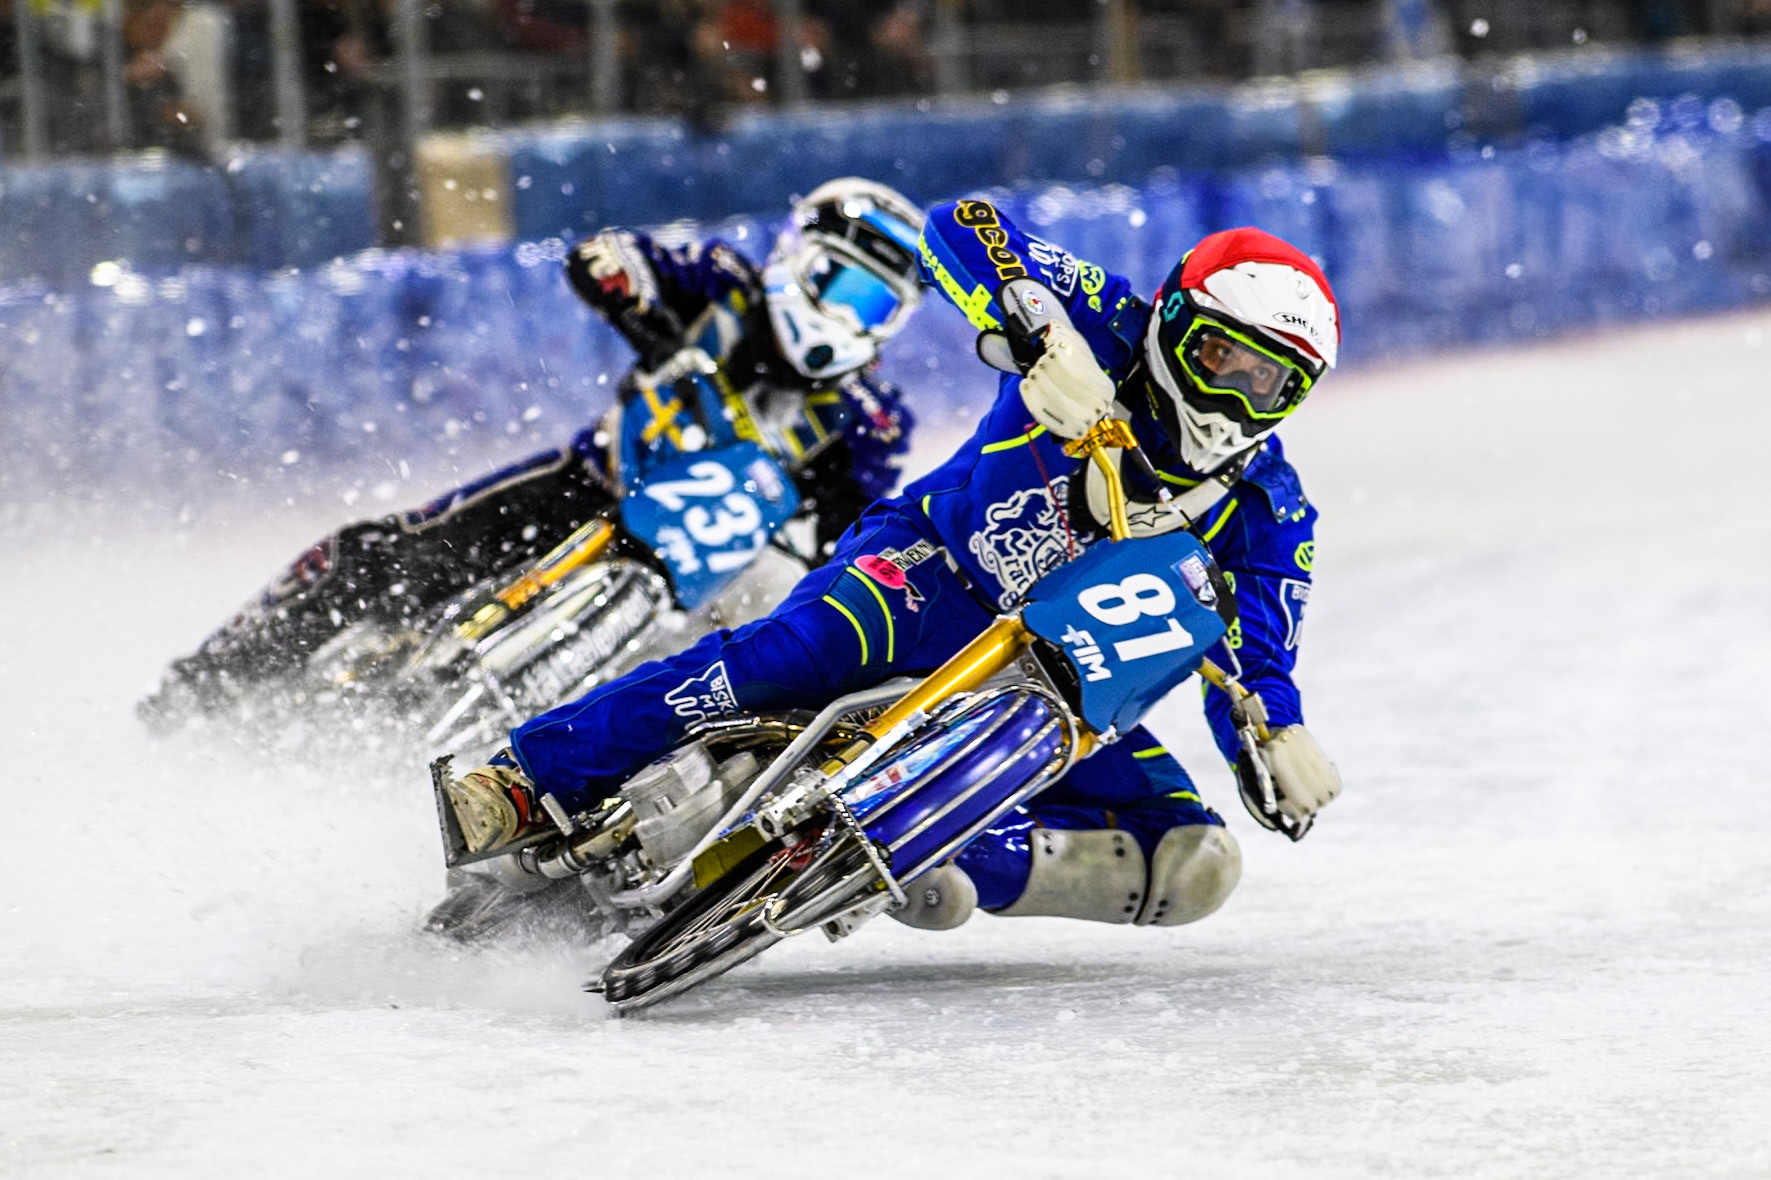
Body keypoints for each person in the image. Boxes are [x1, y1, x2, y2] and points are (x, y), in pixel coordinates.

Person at [439, 196, 1344, 933]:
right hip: (925, 574)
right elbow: (963, 224)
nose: (1232, 394)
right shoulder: (1107, 317)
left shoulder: (1272, 508)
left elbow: (1256, 655)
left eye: (1267, 382)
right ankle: (525, 780)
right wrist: (1042, 335)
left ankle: (934, 851)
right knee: (776, 660)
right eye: (1217, 355)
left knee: (1192, 863)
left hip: (1049, 687)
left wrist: (1273, 741)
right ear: (1174, 321)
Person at [141, 177, 926, 730]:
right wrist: (624, 287)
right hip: (588, 481)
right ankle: (208, 682)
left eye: (874, 306)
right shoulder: (723, 285)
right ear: (796, 258)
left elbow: (854, 539)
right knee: (386, 556)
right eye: (838, 285)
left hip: (706, 582)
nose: (845, 319)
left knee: (699, 697)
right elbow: (612, 257)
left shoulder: (870, 419)